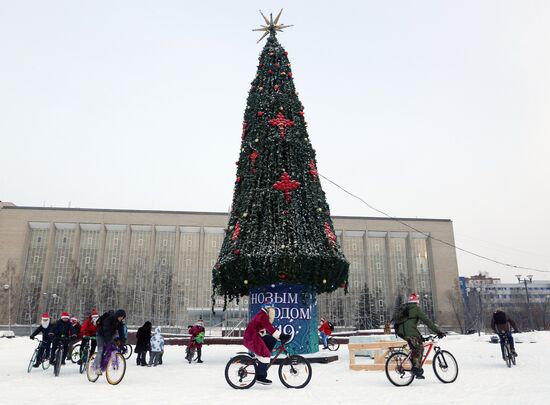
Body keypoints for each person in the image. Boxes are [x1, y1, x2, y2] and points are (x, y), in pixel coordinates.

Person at [395, 293, 445, 379]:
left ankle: (413, 364)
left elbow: (410, 325)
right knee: (420, 348)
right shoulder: (416, 309)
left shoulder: (407, 308)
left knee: (416, 346)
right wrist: (438, 331)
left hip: (401, 332)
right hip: (408, 332)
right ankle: (417, 370)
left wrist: (420, 337)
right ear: (417, 302)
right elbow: (427, 321)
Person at [243, 303, 291, 385]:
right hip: (252, 338)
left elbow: (269, 329)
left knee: (272, 340)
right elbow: (270, 328)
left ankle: (262, 361)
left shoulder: (263, 315)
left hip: (255, 336)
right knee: (265, 354)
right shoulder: (263, 316)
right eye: (272, 310)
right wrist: (282, 336)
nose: (273, 313)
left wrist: (279, 337)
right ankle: (260, 376)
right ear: (267, 309)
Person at [93, 309, 126, 375]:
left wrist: (122, 344)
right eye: (120, 316)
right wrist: (108, 340)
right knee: (101, 349)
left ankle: (107, 362)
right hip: (100, 334)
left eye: (123, 317)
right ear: (117, 315)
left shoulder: (120, 322)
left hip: (110, 335)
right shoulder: (109, 318)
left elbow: (122, 333)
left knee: (113, 347)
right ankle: (97, 368)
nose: (121, 318)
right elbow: (106, 330)